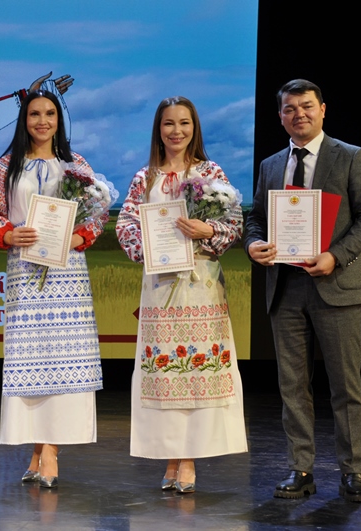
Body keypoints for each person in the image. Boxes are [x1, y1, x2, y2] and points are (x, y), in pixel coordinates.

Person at [244, 79, 361, 503]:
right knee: (292, 387)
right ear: (280, 116)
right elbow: (256, 218)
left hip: (336, 285)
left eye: (306, 106)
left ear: (323, 109)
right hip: (285, 288)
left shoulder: (351, 156)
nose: (298, 114)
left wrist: (335, 256)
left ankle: (353, 472)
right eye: (289, 109)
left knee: (345, 386)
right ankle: (300, 469)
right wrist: (253, 243)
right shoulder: (271, 164)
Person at [116, 96, 248, 493]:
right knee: (165, 374)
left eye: (184, 123)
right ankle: (171, 455)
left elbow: (234, 222)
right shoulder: (146, 177)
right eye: (169, 123)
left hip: (201, 286)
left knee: (195, 373)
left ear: (195, 128)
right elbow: (125, 224)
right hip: (160, 287)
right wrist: (149, 248)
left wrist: (208, 231)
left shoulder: (210, 172)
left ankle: (187, 459)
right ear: (158, 129)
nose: (177, 131)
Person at [0, 90, 105, 488]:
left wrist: (81, 237)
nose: (42, 121)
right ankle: (37, 448)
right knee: (31, 359)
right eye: (34, 114)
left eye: (50, 113)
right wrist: (7, 235)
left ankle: (50, 450)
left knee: (63, 358)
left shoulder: (76, 164)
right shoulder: (6, 166)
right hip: (24, 271)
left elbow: (97, 214)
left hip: (67, 272)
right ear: (24, 120)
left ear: (58, 120)